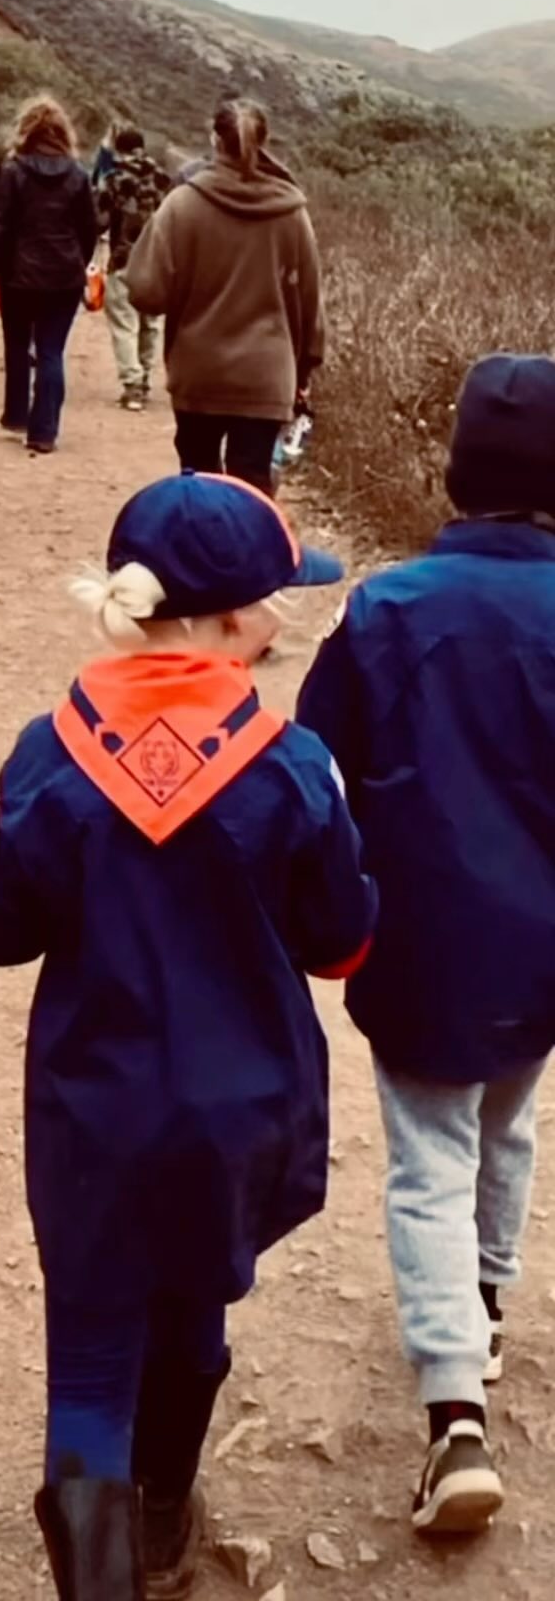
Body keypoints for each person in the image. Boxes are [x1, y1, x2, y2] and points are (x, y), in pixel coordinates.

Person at [0, 474, 376, 1601]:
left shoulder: (48, 755)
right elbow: (341, 945)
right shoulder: (293, 765)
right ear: (230, 622)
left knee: (91, 1353)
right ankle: (163, 1519)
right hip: (238, 1116)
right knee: (194, 1308)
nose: (291, 615)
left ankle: (102, 1570)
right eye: (282, 597)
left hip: (94, 1111)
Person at [297, 353, 555, 1540]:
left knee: (427, 1160)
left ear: (458, 469)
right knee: (510, 1120)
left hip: (424, 937)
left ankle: (455, 1415)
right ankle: (487, 1307)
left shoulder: (388, 606)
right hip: (544, 945)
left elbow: (316, 764)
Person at [126, 99, 323, 494]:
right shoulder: (292, 213)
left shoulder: (182, 205)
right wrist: (304, 367)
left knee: (198, 485)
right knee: (251, 490)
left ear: (214, 139)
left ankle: (200, 554)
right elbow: (309, 302)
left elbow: (146, 290)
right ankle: (248, 553)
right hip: (267, 376)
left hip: (199, 371)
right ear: (265, 142)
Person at [0, 97, 97, 455]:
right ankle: (44, 431)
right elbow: (88, 230)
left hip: (18, 275)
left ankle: (16, 413)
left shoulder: (11, 169)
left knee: (17, 344)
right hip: (64, 277)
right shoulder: (77, 175)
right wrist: (77, 262)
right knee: (50, 351)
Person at [98, 126, 173, 413]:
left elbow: (100, 220)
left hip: (124, 258)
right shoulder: (163, 180)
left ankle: (132, 384)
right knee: (150, 323)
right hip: (158, 260)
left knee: (124, 322)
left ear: (120, 150)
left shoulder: (115, 179)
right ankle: (144, 379)